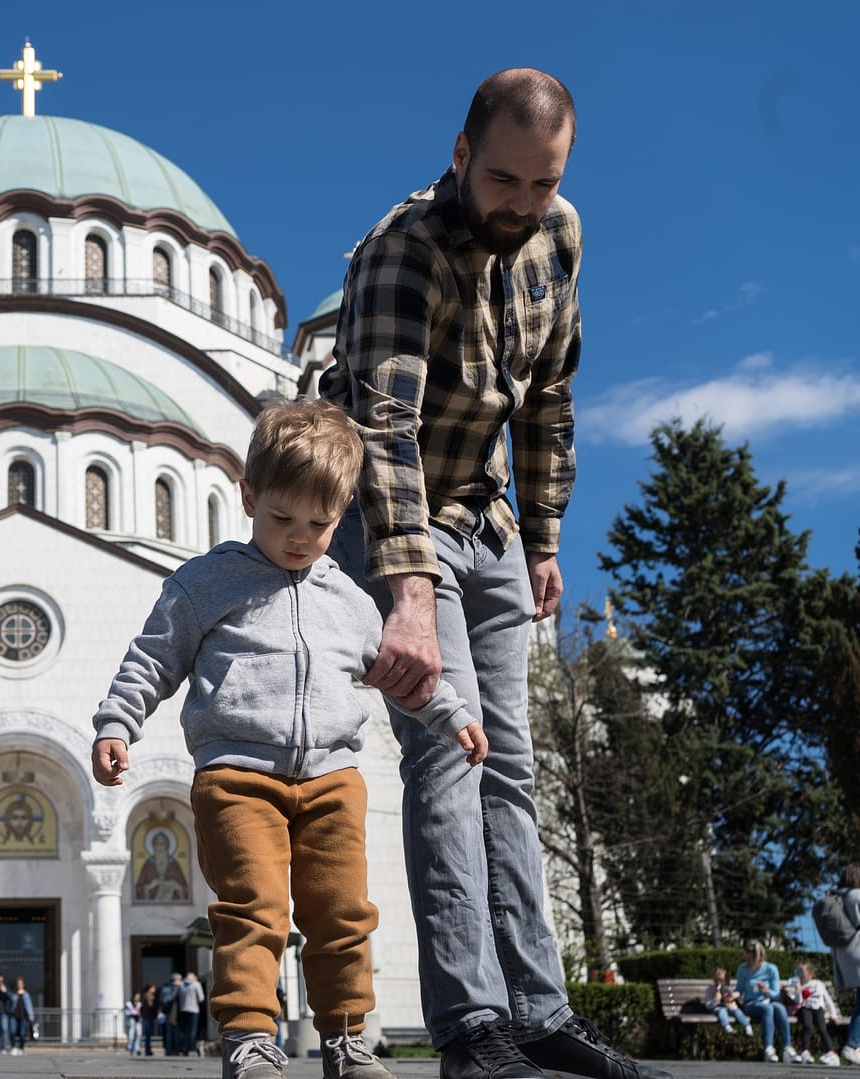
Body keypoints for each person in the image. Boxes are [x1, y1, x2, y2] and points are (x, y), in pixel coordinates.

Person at [317, 68, 672, 1079]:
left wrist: (545, 537)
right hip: (393, 521)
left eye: (541, 181)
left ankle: (540, 1010)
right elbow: (379, 431)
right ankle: (470, 1026)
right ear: (461, 153)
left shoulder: (556, 232)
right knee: (447, 754)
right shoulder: (401, 252)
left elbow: (548, 394)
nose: (520, 203)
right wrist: (410, 599)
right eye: (503, 178)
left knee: (510, 765)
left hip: (487, 521)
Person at [93, 400, 488, 1079]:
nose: (300, 537)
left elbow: (400, 676)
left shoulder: (350, 599)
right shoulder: (206, 582)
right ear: (247, 497)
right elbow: (153, 658)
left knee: (341, 911)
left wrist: (450, 714)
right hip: (236, 774)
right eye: (281, 519)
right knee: (252, 907)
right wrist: (115, 722)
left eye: (320, 523)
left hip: (333, 779)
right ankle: (249, 1039)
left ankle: (346, 1040)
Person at [736, 939, 793, 1064]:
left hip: (769, 1000)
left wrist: (766, 990)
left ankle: (788, 1049)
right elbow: (739, 989)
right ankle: (768, 1048)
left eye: (752, 959)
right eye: (747, 958)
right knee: (768, 1009)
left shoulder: (771, 969)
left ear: (759, 957)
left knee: (779, 1007)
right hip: (751, 1004)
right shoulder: (743, 968)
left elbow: (776, 994)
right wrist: (733, 995)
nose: (748, 962)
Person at [788, 961, 840, 1066]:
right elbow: (798, 1002)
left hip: (818, 1009)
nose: (800, 975)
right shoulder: (799, 985)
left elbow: (828, 1000)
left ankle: (831, 1053)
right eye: (798, 972)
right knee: (807, 1026)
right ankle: (805, 1052)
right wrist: (798, 989)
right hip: (805, 1008)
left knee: (822, 1028)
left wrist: (833, 1015)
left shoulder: (818, 984)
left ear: (811, 973)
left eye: (802, 972)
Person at [834, 863, 860, 1065]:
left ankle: (854, 1045)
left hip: (843, 953)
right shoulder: (856, 896)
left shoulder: (838, 897)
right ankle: (852, 1045)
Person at [703, 967, 751, 1036]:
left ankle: (747, 1026)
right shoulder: (710, 990)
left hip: (727, 1008)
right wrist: (716, 1000)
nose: (721, 983)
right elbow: (708, 1006)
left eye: (723, 981)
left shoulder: (726, 990)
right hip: (716, 1008)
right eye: (719, 981)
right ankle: (727, 1027)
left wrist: (731, 1002)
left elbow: (731, 1000)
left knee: (736, 1010)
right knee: (722, 1010)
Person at [179, 970, 205, 1057]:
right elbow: (201, 998)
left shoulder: (181, 985)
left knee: (184, 1030)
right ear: (193, 977)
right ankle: (191, 1049)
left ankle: (183, 1048)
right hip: (194, 1009)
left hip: (183, 1009)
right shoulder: (196, 984)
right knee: (192, 1030)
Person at [9, 976, 35, 1056]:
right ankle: (13, 1047)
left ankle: (20, 1048)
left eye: (20, 984)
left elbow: (29, 1006)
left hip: (23, 1017)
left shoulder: (26, 995)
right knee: (13, 1032)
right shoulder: (13, 994)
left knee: (22, 1033)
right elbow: (10, 1004)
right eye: (18, 984)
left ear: (23, 984)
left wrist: (31, 1016)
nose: (19, 985)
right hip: (14, 1016)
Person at [139, 983, 160, 1057]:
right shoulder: (149, 996)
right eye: (153, 987)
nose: (154, 989)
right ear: (149, 988)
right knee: (148, 1035)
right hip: (149, 1017)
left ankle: (148, 1050)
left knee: (148, 1035)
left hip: (147, 1017)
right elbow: (150, 1006)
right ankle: (148, 1050)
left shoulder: (146, 995)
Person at [125, 990, 143, 1055]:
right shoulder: (128, 1004)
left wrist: (138, 1013)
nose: (137, 998)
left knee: (138, 1034)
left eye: (139, 997)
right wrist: (133, 1013)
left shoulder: (140, 1004)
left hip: (138, 1020)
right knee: (131, 1035)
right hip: (131, 1020)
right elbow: (127, 1012)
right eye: (136, 997)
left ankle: (137, 1048)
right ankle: (130, 1048)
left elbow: (141, 1012)